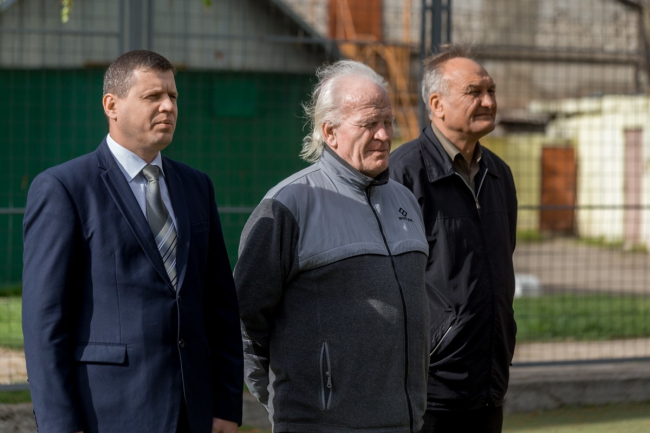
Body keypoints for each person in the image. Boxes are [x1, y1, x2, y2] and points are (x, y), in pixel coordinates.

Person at [22, 50, 243, 433]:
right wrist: (60, 424)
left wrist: (226, 404)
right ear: (111, 105)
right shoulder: (65, 188)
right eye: (152, 96)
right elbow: (44, 322)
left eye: (172, 96)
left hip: (194, 412)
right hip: (108, 413)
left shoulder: (196, 186)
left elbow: (220, 304)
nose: (168, 106)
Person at [234, 60, 430, 433]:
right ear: (330, 131)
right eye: (369, 124)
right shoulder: (288, 205)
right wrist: (287, 404)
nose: (383, 134)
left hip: (406, 423)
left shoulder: (405, 200)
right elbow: (242, 320)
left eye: (387, 122)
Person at [389, 45, 518, 433]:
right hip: (429, 387)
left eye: (491, 91)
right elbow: (389, 282)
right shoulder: (401, 175)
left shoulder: (499, 174)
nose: (488, 101)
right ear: (437, 104)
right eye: (474, 92)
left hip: (489, 380)